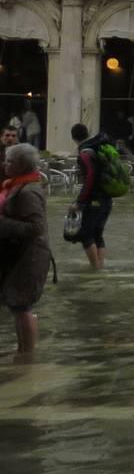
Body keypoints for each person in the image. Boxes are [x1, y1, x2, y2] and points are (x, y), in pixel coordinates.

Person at [0, 143, 51, 356]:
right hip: (19, 254)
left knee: (22, 306)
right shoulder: (17, 185)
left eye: (10, 161)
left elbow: (37, 227)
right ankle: (23, 350)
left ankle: (27, 354)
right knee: (16, 305)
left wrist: (2, 223)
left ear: (22, 165)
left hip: (29, 256)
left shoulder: (28, 191)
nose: (5, 164)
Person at [68, 123, 111, 272]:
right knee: (97, 233)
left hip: (94, 199)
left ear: (73, 137)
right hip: (106, 197)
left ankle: (96, 269)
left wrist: (79, 202)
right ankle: (100, 267)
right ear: (87, 133)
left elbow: (90, 177)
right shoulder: (96, 147)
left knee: (86, 234)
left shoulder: (85, 153)